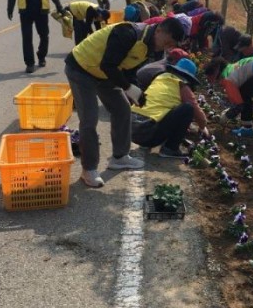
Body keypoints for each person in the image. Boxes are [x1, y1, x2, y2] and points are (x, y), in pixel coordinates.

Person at [64, 17, 185, 187]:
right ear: (158, 31)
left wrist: (137, 91)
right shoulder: (128, 33)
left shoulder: (152, 48)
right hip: (81, 68)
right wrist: (128, 87)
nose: (165, 48)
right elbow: (108, 65)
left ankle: (119, 157)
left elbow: (129, 69)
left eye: (170, 46)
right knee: (89, 119)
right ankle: (88, 170)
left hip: (104, 73)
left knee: (122, 109)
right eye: (166, 42)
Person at [131, 58, 209, 158]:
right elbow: (196, 110)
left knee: (162, 109)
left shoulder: (160, 78)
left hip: (130, 126)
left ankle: (146, 143)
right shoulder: (182, 84)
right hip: (147, 133)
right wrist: (203, 127)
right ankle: (170, 148)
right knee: (188, 108)